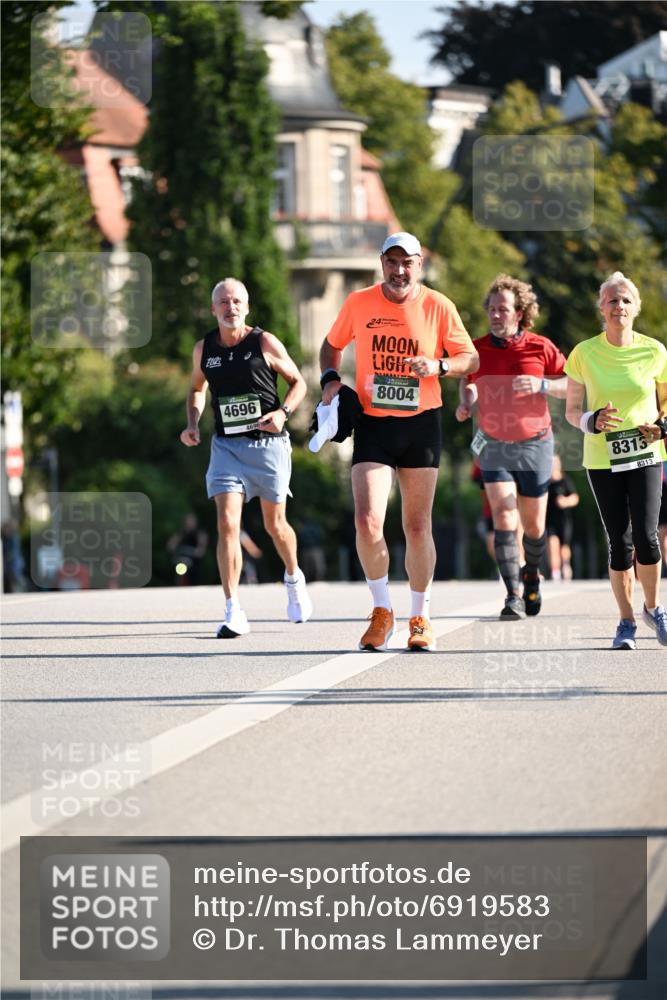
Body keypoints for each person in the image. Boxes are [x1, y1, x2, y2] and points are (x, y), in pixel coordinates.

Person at [319, 231, 478, 652]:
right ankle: (382, 610)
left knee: (417, 525)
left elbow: (471, 359)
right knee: (367, 521)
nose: (399, 270)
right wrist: (330, 381)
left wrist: (439, 365)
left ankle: (421, 615)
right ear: (382, 263)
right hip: (373, 423)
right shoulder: (359, 302)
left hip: (421, 422)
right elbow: (330, 347)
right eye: (392, 261)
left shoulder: (438, 306)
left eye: (407, 262)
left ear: (419, 264)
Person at [179, 277, 312, 637]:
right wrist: (192, 423)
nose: (230, 307)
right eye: (223, 302)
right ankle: (233, 609)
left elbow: (299, 382)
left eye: (237, 301)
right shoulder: (204, 349)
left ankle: (293, 576)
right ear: (213, 309)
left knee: (275, 526)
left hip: (268, 446)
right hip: (226, 448)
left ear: (247, 307)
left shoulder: (263, 342)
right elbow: (196, 388)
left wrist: (283, 413)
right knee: (227, 524)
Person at [456, 274, 568, 619]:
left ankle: (532, 575)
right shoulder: (477, 349)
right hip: (494, 444)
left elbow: (570, 385)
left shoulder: (541, 347)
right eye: (491, 309)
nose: (495, 315)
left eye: (502, 309)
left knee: (534, 526)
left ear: (519, 313)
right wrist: (467, 401)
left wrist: (541, 385)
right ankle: (513, 594)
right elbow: (468, 380)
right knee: (504, 514)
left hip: (535, 444)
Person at [565, 271, 667, 649]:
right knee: (619, 542)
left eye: (625, 300)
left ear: (635, 307)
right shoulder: (584, 353)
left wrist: (662, 426)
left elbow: (665, 401)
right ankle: (625, 621)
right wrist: (591, 420)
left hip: (646, 453)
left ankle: (654, 608)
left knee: (647, 535)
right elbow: (572, 410)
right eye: (612, 300)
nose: (619, 306)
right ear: (601, 308)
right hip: (602, 457)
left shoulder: (655, 351)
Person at [546, 454, 579, 580]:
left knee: (564, 547)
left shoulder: (565, 481)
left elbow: (575, 498)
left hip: (564, 520)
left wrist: (565, 501)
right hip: (549, 520)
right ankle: (555, 572)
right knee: (552, 544)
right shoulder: (546, 482)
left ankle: (565, 565)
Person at [167, 512, 208, 585]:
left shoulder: (199, 533)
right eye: (188, 521)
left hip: (194, 560)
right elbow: (171, 545)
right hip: (181, 557)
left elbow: (202, 547)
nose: (190, 523)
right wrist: (173, 547)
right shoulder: (181, 532)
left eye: (192, 521)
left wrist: (198, 551)